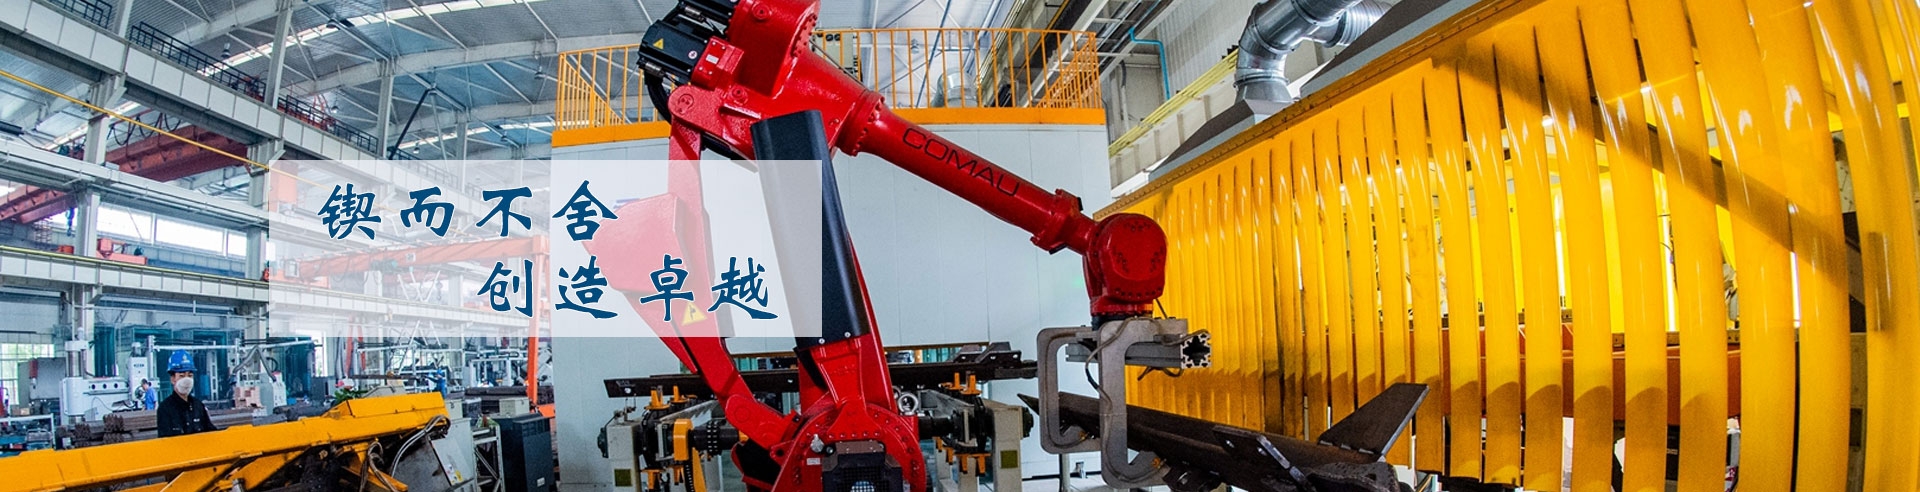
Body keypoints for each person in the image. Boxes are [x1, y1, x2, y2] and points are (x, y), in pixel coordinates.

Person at [156, 351, 218, 437]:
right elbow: (165, 441)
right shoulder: (165, 409)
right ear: (173, 379)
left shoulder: (198, 406)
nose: (187, 380)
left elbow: (211, 433)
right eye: (182, 376)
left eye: (190, 376)